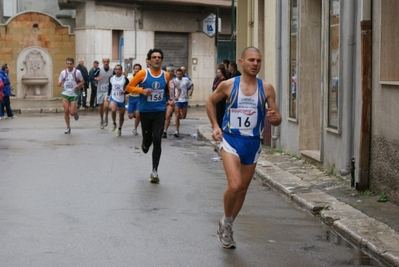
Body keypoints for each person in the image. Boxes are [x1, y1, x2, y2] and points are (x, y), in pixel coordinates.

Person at [206, 46, 282, 249]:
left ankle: (227, 222)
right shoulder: (228, 85)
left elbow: (277, 119)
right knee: (235, 185)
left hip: (253, 143)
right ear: (241, 62)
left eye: (258, 60)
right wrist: (215, 126)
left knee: (243, 191)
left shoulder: (266, 88)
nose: (255, 64)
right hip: (231, 140)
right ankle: (227, 223)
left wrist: (275, 118)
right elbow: (210, 102)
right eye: (251, 60)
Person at [126, 48, 170, 184]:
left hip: (159, 111)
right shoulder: (143, 73)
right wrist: (141, 90)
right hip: (145, 112)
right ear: (149, 60)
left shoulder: (166, 75)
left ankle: (154, 171)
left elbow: (167, 90)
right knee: (148, 141)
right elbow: (129, 87)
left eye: (159, 57)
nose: (157, 59)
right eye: (154, 57)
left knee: (157, 139)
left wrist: (170, 100)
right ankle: (145, 144)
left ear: (161, 60)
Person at [57, 58, 84, 134]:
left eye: (70, 64)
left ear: (73, 64)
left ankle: (75, 113)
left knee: (71, 113)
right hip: (65, 93)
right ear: (66, 64)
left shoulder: (77, 72)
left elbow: (82, 81)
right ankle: (68, 127)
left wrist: (78, 85)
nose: (69, 65)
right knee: (66, 110)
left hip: (74, 94)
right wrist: (59, 83)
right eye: (67, 64)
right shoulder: (63, 72)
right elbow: (59, 81)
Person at [107, 64, 129, 137]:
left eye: (119, 69)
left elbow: (129, 88)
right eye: (116, 69)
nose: (117, 71)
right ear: (114, 70)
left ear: (121, 70)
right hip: (113, 97)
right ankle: (114, 123)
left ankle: (119, 128)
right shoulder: (111, 78)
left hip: (122, 99)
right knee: (113, 109)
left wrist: (125, 92)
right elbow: (110, 87)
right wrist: (108, 95)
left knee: (121, 116)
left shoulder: (125, 79)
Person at [92, 58, 114, 129]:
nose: (106, 63)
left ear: (109, 62)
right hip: (100, 90)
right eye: (104, 62)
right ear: (102, 62)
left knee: (106, 106)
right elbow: (91, 76)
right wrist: (96, 79)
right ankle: (101, 120)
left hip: (107, 91)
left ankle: (106, 117)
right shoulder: (99, 69)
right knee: (100, 107)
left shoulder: (112, 70)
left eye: (107, 61)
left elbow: (115, 77)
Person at [173, 68, 193, 138]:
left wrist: (191, 91)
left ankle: (180, 115)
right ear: (175, 74)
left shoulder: (186, 80)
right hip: (177, 99)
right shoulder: (174, 81)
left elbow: (192, 85)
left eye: (180, 74)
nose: (179, 75)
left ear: (182, 74)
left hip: (185, 99)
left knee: (183, 116)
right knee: (177, 115)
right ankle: (176, 130)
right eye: (177, 74)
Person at [127, 63, 142, 135]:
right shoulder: (130, 78)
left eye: (138, 69)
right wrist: (127, 93)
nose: (137, 70)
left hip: (139, 98)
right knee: (130, 116)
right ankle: (136, 115)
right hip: (131, 98)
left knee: (138, 114)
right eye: (135, 69)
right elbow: (127, 87)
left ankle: (135, 128)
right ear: (133, 69)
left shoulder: (142, 78)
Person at [162, 65, 176, 138]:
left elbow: (179, 90)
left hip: (171, 100)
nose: (170, 73)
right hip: (162, 100)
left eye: (171, 71)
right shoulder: (163, 80)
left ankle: (165, 131)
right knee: (162, 117)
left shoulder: (175, 80)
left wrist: (176, 99)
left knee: (167, 115)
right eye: (168, 71)